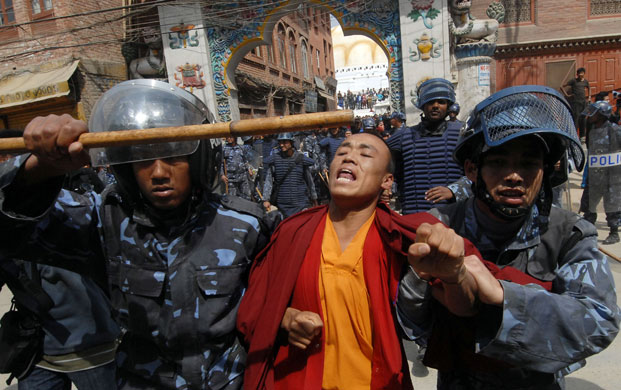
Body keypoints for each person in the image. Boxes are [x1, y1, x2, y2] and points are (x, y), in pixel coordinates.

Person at [0, 79, 273, 390]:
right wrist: (40, 168)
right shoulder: (104, 221)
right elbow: (12, 227)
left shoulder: (246, 223)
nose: (158, 172)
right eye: (143, 158)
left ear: (198, 160)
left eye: (173, 156)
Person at [399, 85, 620, 389]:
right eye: (499, 162)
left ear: (545, 172)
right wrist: (422, 280)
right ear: (472, 170)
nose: (514, 175)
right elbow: (411, 325)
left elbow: (599, 322)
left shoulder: (568, 233)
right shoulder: (441, 226)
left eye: (529, 163)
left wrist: (504, 295)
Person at [238, 132, 486, 390]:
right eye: (343, 153)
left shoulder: (405, 237)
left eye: (365, 154)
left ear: (386, 181)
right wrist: (284, 318)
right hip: (297, 380)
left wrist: (454, 275)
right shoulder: (294, 231)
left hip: (376, 381)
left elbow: (467, 310)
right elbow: (252, 308)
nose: (349, 158)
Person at [387, 78, 465, 214]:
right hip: (414, 217)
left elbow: (479, 176)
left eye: (441, 102)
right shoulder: (403, 137)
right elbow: (390, 173)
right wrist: (387, 187)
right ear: (422, 105)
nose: (435, 106)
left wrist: (455, 190)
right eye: (430, 102)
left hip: (454, 218)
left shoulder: (462, 134)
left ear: (448, 105)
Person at [579, 100, 621, 244]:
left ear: (602, 115)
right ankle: (587, 229)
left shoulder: (615, 130)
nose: (591, 115)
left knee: (611, 205)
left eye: (594, 113)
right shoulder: (592, 129)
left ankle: (614, 232)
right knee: (589, 204)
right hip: (595, 175)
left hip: (611, 176)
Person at [262, 132, 318, 218]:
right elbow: (269, 181)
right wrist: (266, 199)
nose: (281, 145)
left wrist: (314, 197)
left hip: (300, 203)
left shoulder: (300, 159)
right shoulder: (275, 159)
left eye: (285, 142)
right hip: (282, 204)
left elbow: (309, 181)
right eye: (280, 142)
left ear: (291, 143)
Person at [221, 136, 252, 200]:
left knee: (247, 197)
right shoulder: (224, 149)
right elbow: (220, 163)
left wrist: (249, 169)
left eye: (231, 137)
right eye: (228, 137)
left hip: (242, 177)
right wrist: (222, 175)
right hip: (231, 179)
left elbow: (245, 160)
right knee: (232, 199)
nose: (229, 138)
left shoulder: (241, 148)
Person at [562, 67, 590, 137]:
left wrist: (589, 97)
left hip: (583, 102)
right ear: (577, 74)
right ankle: (574, 135)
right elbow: (562, 86)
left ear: (584, 74)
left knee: (583, 118)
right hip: (576, 103)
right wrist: (567, 95)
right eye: (579, 73)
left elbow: (589, 88)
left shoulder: (585, 81)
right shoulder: (574, 81)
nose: (581, 74)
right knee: (576, 118)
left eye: (582, 73)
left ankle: (582, 136)